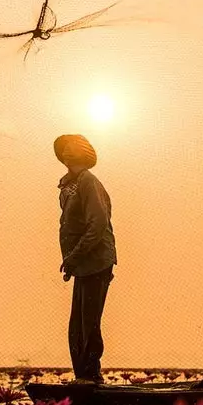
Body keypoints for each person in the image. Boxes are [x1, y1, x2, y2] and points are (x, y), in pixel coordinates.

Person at [54, 133, 117, 386]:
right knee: (76, 325)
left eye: (70, 147)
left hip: (97, 261)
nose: (65, 152)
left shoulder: (88, 182)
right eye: (63, 149)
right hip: (81, 263)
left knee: (89, 320)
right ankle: (82, 375)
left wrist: (75, 255)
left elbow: (98, 224)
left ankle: (91, 375)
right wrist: (70, 261)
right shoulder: (70, 185)